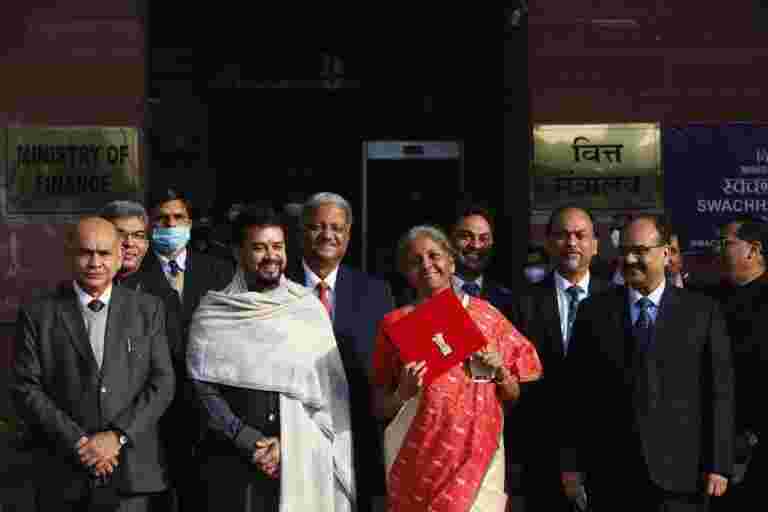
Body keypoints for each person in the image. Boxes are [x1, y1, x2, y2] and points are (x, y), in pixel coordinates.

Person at [561, 214, 734, 512]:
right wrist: (571, 464)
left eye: (640, 251)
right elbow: (576, 393)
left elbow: (720, 392)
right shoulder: (594, 311)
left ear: (665, 253)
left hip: (682, 477)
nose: (630, 259)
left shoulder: (702, 311)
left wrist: (719, 464)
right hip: (611, 476)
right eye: (625, 251)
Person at [187, 207, 354, 511]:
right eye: (259, 247)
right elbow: (202, 388)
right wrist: (246, 439)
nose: (271, 256)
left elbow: (330, 399)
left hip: (301, 459)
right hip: (231, 465)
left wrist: (287, 444)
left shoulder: (308, 310)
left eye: (277, 247)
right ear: (238, 252)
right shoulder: (213, 312)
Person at [371, 225, 542, 511]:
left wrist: (501, 371)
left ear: (451, 262)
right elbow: (379, 407)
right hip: (419, 463)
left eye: (434, 255)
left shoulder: (487, 315)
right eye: (415, 260)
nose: (427, 264)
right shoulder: (395, 324)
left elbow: (513, 395)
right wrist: (403, 393)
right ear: (406, 272)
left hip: (479, 459)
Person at [11, 216, 175, 511]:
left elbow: (162, 383)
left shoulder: (148, 309)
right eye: (86, 253)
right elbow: (26, 388)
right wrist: (80, 443)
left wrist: (117, 436)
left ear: (119, 256)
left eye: (104, 253)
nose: (95, 262)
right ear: (69, 255)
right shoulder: (38, 313)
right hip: (62, 471)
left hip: (131, 472)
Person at [286, 192, 394, 511]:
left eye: (336, 228)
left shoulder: (376, 292)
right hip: (295, 430)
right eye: (317, 226)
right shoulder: (277, 286)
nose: (327, 235)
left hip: (358, 434)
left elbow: (388, 364)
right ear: (301, 232)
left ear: (348, 234)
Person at [510, 206, 610, 512]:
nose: (572, 243)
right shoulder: (523, 302)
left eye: (581, 235)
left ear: (596, 244)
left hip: (606, 453)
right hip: (542, 454)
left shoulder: (617, 300)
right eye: (563, 235)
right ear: (548, 243)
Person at [99, 200, 190, 511]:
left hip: (153, 447)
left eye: (138, 235)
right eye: (120, 234)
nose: (130, 244)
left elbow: (169, 374)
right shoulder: (81, 291)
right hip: (89, 448)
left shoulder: (160, 296)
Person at [708, 217, 768, 510]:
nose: (718, 250)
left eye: (726, 244)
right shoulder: (710, 298)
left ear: (753, 250)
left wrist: (751, 434)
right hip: (715, 444)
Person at [449, 203, 515, 310]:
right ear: (450, 240)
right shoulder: (432, 293)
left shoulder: (506, 300)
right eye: (466, 236)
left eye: (483, 238)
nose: (476, 245)